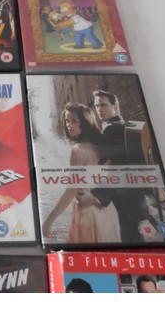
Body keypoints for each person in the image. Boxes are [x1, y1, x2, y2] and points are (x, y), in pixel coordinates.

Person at [42, 103, 121, 243]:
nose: (69, 125)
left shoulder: (78, 150)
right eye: (67, 121)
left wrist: (49, 220)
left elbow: (71, 189)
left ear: (85, 123)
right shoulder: (101, 146)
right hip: (108, 213)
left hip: (88, 215)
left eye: (74, 121)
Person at [92, 90, 159, 243]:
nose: (99, 109)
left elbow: (112, 165)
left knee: (128, 234)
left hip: (123, 191)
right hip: (135, 188)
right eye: (97, 106)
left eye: (104, 105)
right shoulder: (126, 125)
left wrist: (98, 191)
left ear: (115, 106)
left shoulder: (110, 129)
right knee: (137, 230)